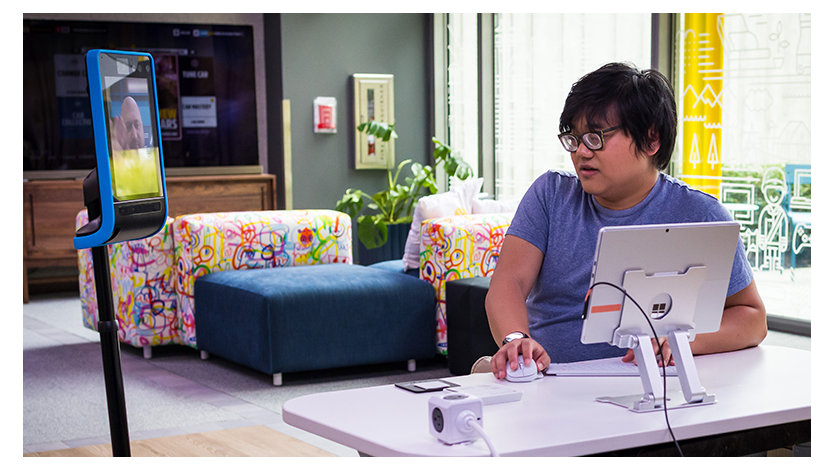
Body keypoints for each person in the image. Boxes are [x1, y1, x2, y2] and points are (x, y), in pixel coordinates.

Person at [484, 62, 767, 380]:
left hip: (653, 388)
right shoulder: (550, 195)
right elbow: (508, 283)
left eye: (595, 138)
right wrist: (516, 339)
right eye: (573, 139)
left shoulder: (700, 214)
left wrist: (685, 341)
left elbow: (752, 319)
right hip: (550, 379)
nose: (581, 152)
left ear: (651, 140)